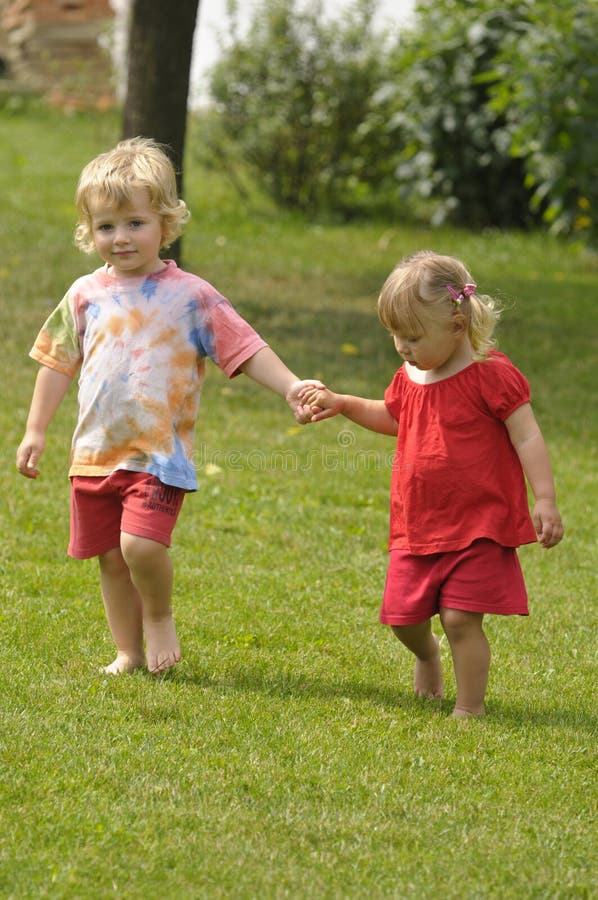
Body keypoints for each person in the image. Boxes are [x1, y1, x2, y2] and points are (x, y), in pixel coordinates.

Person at [16, 137, 321, 676]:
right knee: (110, 557)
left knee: (139, 546)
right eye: (106, 226)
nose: (121, 237)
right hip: (94, 452)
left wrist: (292, 385)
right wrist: (35, 430)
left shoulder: (191, 295)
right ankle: (128, 652)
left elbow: (244, 347)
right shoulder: (85, 294)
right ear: (90, 231)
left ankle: (158, 616)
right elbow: (56, 362)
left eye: (135, 223)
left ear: (165, 221)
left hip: (158, 454)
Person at [301, 250, 564, 717]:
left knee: (461, 618)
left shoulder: (492, 375)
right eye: (396, 336)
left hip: (479, 522)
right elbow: (393, 416)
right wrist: (343, 403)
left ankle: (469, 707)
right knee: (403, 618)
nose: (402, 346)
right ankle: (427, 654)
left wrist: (544, 498)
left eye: (413, 336)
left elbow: (527, 434)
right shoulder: (410, 376)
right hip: (417, 523)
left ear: (457, 327)